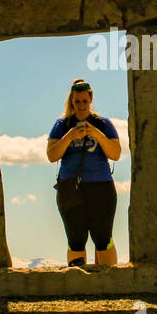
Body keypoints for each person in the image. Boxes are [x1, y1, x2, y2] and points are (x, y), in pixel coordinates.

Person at [46, 78, 121, 267]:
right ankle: (78, 283)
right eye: (77, 101)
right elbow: (52, 155)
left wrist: (96, 134)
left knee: (103, 237)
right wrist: (70, 136)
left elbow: (116, 153)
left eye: (84, 101)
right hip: (70, 188)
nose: (81, 105)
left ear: (90, 100)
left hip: (101, 186)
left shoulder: (103, 124)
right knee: (76, 238)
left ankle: (109, 282)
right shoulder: (62, 125)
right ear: (72, 101)